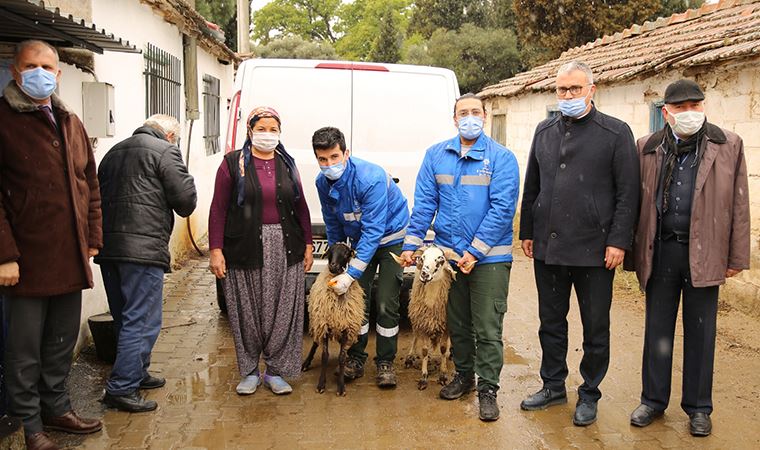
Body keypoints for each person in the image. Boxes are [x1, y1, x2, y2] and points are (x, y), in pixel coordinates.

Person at [518, 61, 640, 426]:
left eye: (575, 89)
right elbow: (533, 185)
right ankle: (553, 385)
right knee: (550, 321)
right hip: (549, 248)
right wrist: (528, 231)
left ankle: (589, 393)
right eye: (562, 90)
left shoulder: (615, 133)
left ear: (592, 89)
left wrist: (619, 241)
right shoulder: (544, 130)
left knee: (595, 325)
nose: (568, 96)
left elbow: (628, 194)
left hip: (595, 251)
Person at [626, 79, 750, 437]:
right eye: (680, 108)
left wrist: (736, 255)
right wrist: (633, 253)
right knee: (657, 330)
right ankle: (652, 400)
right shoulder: (647, 147)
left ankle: (698, 408)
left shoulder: (727, 145)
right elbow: (635, 204)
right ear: (666, 113)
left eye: (695, 106)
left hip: (705, 252)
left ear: (704, 107)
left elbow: (739, 205)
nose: (689, 114)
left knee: (701, 332)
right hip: (661, 251)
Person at [0, 40, 103, 450]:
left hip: (70, 256)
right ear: (14, 71)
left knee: (60, 343)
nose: (40, 73)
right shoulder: (4, 121)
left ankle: (57, 409)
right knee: (24, 351)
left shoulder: (69, 120)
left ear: (58, 74)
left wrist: (93, 239)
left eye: (47, 66)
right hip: (24, 262)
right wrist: (5, 254)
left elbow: (89, 185)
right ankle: (30, 426)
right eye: (31, 66)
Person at [398, 93, 520, 421]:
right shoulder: (436, 155)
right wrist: (410, 246)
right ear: (454, 119)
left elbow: (502, 208)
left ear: (485, 115)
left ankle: (488, 388)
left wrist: (475, 251)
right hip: (451, 260)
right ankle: (464, 377)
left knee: (487, 326)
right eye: (462, 113)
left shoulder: (501, 158)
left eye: (475, 112)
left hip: (489, 259)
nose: (469, 117)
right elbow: (424, 204)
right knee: (459, 323)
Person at [95, 114, 197, 412]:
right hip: (142, 249)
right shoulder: (165, 151)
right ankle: (121, 387)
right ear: (169, 136)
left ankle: (137, 372)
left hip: (109, 248)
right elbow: (186, 201)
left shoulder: (113, 152)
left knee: (124, 317)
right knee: (142, 321)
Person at [208, 106, 312, 396]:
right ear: (250, 131)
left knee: (283, 311)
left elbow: (300, 205)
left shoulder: (287, 163)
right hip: (244, 245)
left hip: (285, 244)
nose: (268, 134)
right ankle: (251, 371)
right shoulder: (232, 163)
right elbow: (218, 208)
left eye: (273, 129)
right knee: (247, 311)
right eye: (262, 128)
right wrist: (216, 249)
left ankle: (276, 371)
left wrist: (307, 244)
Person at [312, 126, 409, 387]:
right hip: (359, 241)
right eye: (322, 159)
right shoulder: (322, 183)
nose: (329, 164)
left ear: (346, 153)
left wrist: (352, 273)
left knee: (386, 301)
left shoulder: (371, 178)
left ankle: (385, 362)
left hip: (390, 239)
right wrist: (336, 258)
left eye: (334, 157)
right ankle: (355, 356)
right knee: (355, 302)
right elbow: (332, 223)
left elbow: (374, 230)